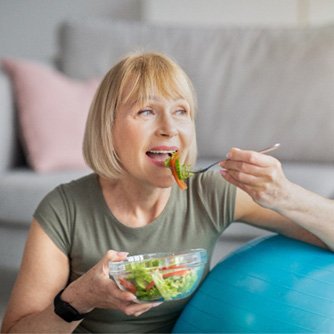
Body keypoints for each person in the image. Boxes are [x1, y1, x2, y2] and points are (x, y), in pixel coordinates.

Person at [1, 52, 334, 333]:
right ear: (108, 128)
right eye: (146, 111)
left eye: (181, 111)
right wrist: (81, 298)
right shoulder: (64, 209)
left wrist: (285, 195)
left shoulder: (209, 191)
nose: (169, 128)